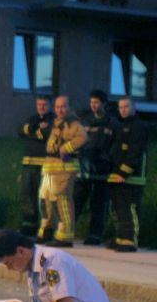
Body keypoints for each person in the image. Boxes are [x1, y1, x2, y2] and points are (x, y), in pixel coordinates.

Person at [38, 95, 86, 247]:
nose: (60, 109)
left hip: (64, 169)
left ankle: (65, 237)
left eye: (63, 106)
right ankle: (47, 231)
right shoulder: (55, 123)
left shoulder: (73, 123)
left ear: (69, 107)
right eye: (58, 107)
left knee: (63, 203)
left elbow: (82, 138)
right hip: (51, 169)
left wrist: (66, 148)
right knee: (45, 199)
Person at [107, 97, 149, 252]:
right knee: (118, 209)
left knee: (129, 209)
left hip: (132, 177)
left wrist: (124, 172)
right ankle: (121, 238)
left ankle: (130, 241)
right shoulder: (121, 126)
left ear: (134, 107)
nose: (123, 109)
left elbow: (135, 153)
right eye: (120, 107)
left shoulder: (138, 126)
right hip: (118, 175)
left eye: (126, 106)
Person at [74, 90, 115, 245]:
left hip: (101, 171)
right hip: (83, 170)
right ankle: (67, 231)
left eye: (96, 102)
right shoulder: (85, 121)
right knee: (76, 201)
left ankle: (95, 235)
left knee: (98, 205)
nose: (93, 105)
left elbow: (114, 147)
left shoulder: (112, 122)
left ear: (104, 103)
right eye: (91, 102)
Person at [18, 97, 54, 236]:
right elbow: (21, 130)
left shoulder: (53, 120)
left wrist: (33, 132)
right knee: (27, 195)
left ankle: (46, 227)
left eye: (45, 104)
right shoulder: (32, 118)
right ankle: (29, 225)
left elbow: (46, 134)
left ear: (50, 105)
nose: (41, 107)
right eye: (39, 104)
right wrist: (36, 130)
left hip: (44, 165)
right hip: (28, 165)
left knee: (44, 198)